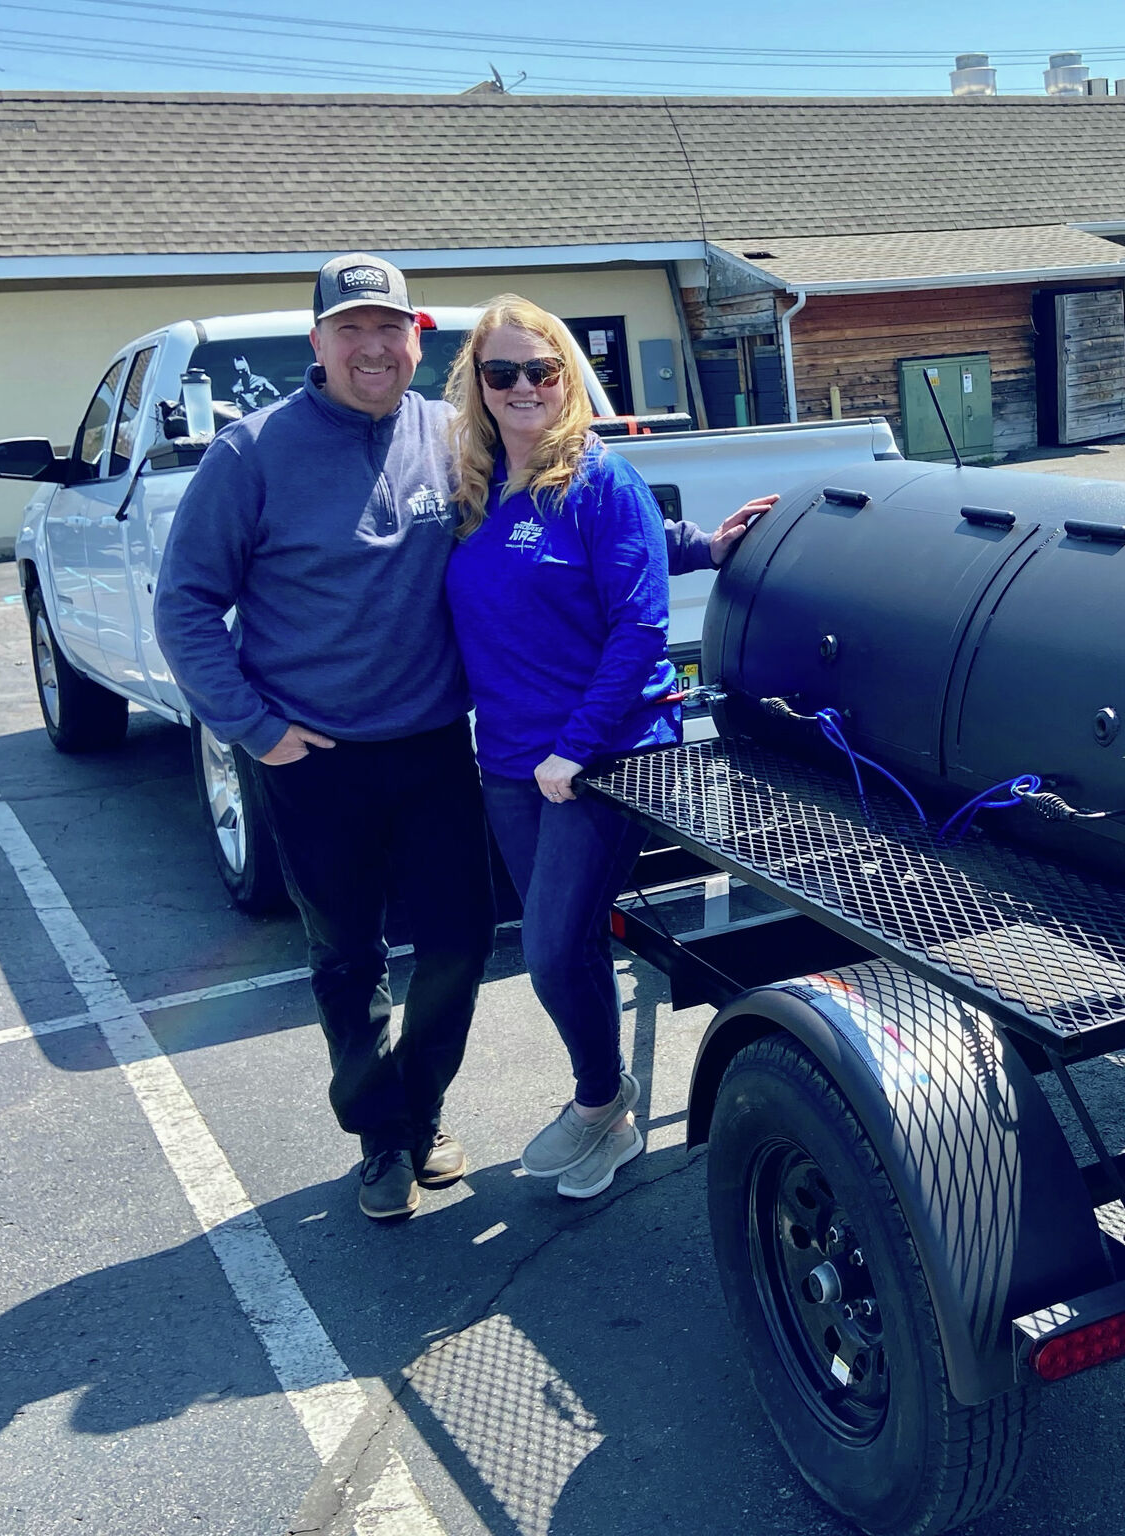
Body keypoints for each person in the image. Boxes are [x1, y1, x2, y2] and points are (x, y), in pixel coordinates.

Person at [156, 253, 494, 1221]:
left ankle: (421, 1109)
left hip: (434, 750)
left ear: (416, 339)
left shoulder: (451, 436)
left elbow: (555, 524)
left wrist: (691, 546)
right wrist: (257, 730)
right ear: (317, 343)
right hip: (314, 761)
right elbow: (185, 606)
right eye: (349, 328)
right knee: (347, 959)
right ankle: (381, 1140)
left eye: (388, 327)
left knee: (461, 945)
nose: (371, 346)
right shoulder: (252, 453)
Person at [443, 294, 775, 1199]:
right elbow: (611, 556)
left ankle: (601, 1104)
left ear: (567, 379)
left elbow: (637, 628)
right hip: (509, 757)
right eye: (500, 372)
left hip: (602, 760)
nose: (522, 388)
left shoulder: (599, 478)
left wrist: (576, 751)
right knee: (567, 943)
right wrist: (699, 542)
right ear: (477, 384)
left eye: (540, 371)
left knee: (551, 950)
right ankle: (606, 1108)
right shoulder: (474, 487)